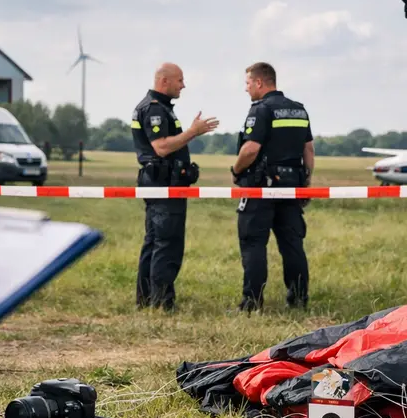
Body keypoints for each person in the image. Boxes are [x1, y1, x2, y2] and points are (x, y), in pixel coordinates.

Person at [131, 63, 218, 311]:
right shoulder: (155, 110)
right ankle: (161, 302)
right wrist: (193, 132)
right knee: (167, 243)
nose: (183, 85)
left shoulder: (158, 108)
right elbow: (162, 147)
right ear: (164, 81)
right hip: (163, 185)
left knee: (154, 241)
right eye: (180, 80)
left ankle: (147, 299)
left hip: (162, 183)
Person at [230, 62, 315, 312]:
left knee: (253, 243)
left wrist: (236, 170)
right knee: (292, 244)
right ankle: (299, 300)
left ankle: (251, 303)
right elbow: (308, 150)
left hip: (261, 188)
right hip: (292, 187)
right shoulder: (299, 110)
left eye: (247, 83)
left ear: (259, 82)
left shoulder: (261, 109)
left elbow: (251, 148)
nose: (245, 89)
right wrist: (306, 182)